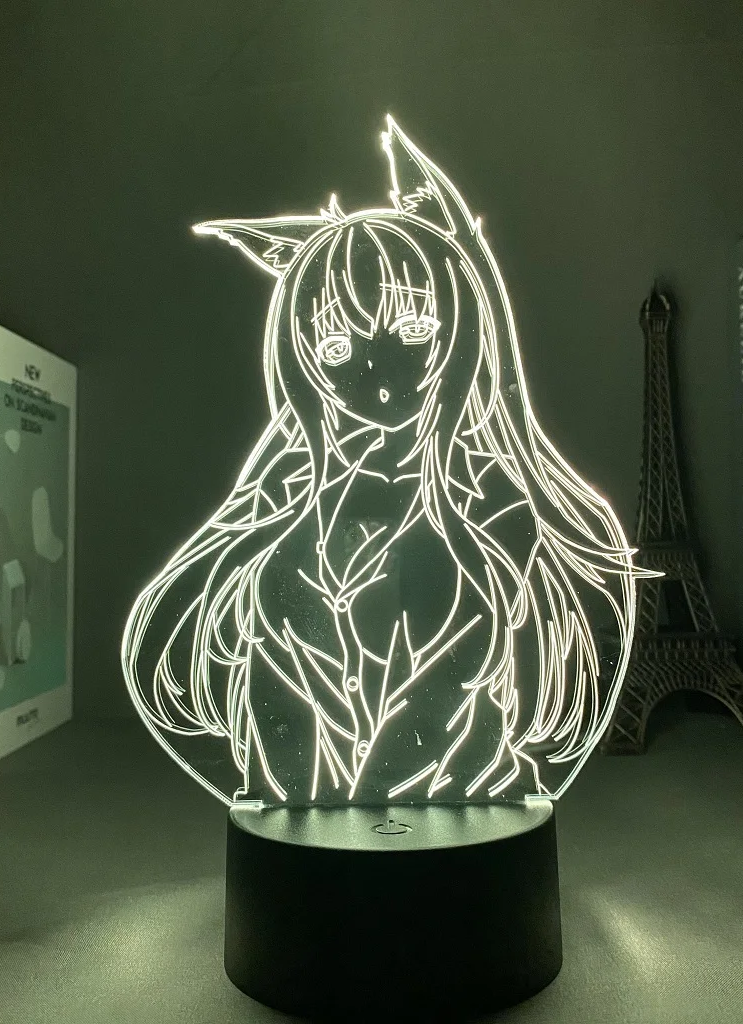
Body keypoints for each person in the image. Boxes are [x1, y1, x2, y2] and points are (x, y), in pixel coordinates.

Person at [121, 118, 642, 806]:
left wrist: (370, 794)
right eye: (338, 349)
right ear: (304, 359)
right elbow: (249, 656)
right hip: (307, 783)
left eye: (414, 331)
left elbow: (462, 668)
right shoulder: (288, 485)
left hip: (449, 779)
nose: (381, 376)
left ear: (457, 331)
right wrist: (296, 798)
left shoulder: (487, 487)